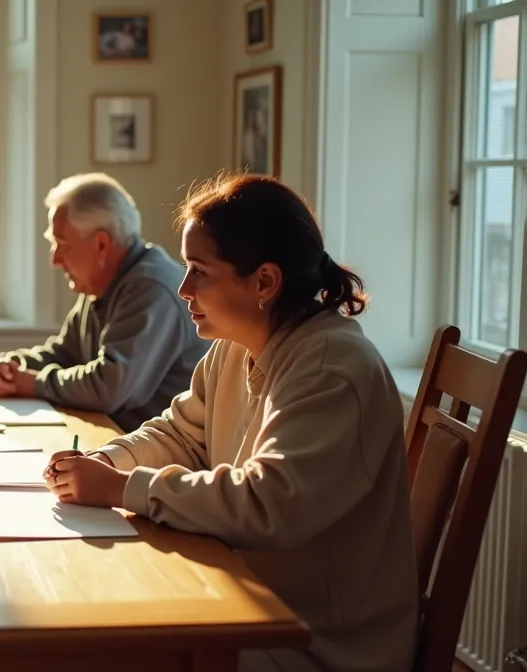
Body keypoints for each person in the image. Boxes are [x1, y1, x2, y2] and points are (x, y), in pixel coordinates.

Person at [44, 174, 419, 671]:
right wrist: (102, 462)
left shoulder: (331, 366)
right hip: (255, 599)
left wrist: (121, 488)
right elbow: (180, 433)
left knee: (86, 645)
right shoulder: (235, 346)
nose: (182, 289)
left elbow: (268, 503)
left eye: (199, 270)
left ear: (264, 281)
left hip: (318, 644)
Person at [0, 173, 209, 432]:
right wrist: (15, 365)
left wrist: (31, 383)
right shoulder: (102, 283)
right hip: (117, 441)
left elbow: (110, 388)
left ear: (101, 244)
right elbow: (66, 354)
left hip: (159, 461)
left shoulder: (150, 288)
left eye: (62, 244)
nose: (55, 260)